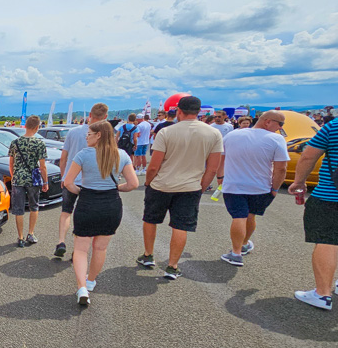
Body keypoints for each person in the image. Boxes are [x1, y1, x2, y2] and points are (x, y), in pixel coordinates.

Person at [138, 96, 224, 279]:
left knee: (151, 219)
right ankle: (172, 265)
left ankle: (148, 255)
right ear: (199, 112)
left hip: (161, 185)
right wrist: (201, 187)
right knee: (180, 226)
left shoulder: (166, 132)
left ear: (178, 111)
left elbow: (154, 165)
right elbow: (213, 168)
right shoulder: (214, 133)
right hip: (190, 187)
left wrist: (148, 182)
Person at [64, 121, 139, 305]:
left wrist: (80, 191)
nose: (86, 136)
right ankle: (90, 282)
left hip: (87, 203)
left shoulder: (83, 155)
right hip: (111, 204)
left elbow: (68, 182)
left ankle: (81, 287)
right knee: (100, 248)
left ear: (98, 135)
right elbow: (133, 184)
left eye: (89, 134)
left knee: (81, 249)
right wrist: (117, 188)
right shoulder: (121, 155)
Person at [218, 110, 289, 266]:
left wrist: (220, 178)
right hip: (260, 186)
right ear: (268, 121)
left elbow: (221, 160)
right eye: (280, 124)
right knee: (250, 216)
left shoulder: (232, 135)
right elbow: (281, 168)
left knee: (239, 217)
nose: (280, 128)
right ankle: (242, 245)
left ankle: (236, 252)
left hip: (233, 185)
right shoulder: (276, 139)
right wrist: (275, 188)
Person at [288, 115, 338, 310]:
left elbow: (309, 155)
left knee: (327, 240)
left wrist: (299, 182)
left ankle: (322, 293)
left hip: (330, 195)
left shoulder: (333, 126)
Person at [54, 102, 109, 258]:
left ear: (90, 115)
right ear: (105, 117)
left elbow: (63, 158)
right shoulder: (105, 136)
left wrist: (64, 176)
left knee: (66, 212)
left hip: (70, 180)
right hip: (91, 183)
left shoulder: (73, 132)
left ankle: (61, 241)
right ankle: (76, 251)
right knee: (84, 216)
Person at [8, 115, 49, 247]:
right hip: (33, 180)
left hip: (18, 179)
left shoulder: (15, 143)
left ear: (25, 126)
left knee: (18, 209)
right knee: (34, 206)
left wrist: (14, 176)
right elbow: (42, 166)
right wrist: (45, 181)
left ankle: (20, 238)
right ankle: (30, 234)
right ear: (37, 127)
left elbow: (11, 163)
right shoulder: (40, 143)